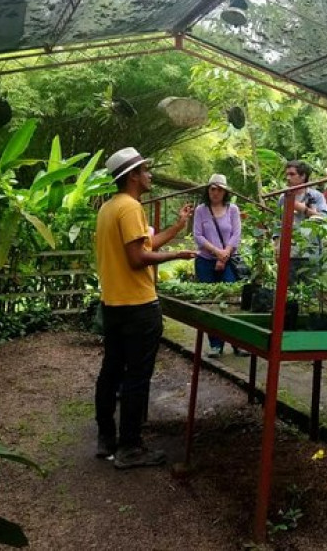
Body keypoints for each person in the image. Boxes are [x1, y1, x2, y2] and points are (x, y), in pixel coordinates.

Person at [94, 147, 196, 469]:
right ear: (134, 176)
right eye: (147, 170)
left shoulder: (109, 208)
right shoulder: (131, 208)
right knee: (137, 377)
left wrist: (177, 228)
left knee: (111, 372)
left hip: (113, 305)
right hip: (138, 307)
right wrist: (177, 257)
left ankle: (107, 439)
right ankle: (130, 448)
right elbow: (138, 259)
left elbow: (144, 245)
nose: (151, 175)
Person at [192, 173, 243, 357]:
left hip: (228, 261)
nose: (215, 192)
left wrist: (224, 255)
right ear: (208, 190)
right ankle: (215, 344)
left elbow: (236, 234)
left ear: (225, 192)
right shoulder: (201, 210)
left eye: (219, 189)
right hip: (206, 261)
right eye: (212, 189)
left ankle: (237, 342)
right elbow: (198, 236)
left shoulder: (233, 210)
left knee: (231, 301)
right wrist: (216, 252)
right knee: (211, 303)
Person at [279, 160, 327, 279]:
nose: (288, 178)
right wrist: (277, 246)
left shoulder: (316, 196)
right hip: (290, 252)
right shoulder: (283, 197)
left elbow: (325, 220)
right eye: (287, 174)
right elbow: (278, 224)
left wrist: (304, 209)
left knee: (310, 291)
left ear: (303, 176)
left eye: (292, 174)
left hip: (310, 252)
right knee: (289, 292)